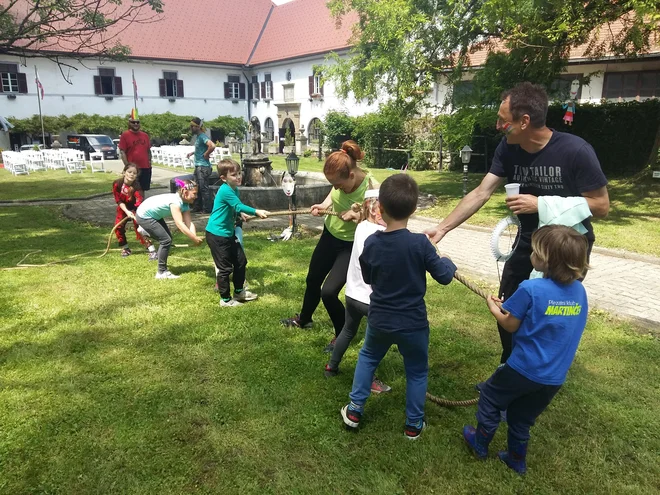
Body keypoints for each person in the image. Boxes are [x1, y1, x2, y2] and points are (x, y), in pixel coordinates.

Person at [424, 82, 609, 364]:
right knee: (509, 306)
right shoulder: (508, 148)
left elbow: (601, 205)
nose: (499, 126)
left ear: (524, 121)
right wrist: (443, 228)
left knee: (548, 309)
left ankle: (537, 371)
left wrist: (541, 204)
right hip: (527, 242)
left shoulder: (575, 151)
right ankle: (509, 365)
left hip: (566, 246)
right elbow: (481, 192)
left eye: (503, 120)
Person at [462, 225, 590, 475]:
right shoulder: (580, 292)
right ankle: (516, 459)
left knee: (490, 396)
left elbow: (510, 324)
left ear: (544, 260)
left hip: (522, 368)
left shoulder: (530, 289)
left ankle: (480, 442)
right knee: (522, 416)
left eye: (534, 251)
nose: (531, 254)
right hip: (554, 377)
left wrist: (493, 308)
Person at [340, 174, 456, 440]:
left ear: (380, 208)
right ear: (414, 209)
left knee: (368, 358)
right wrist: (447, 260)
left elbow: (369, 278)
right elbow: (445, 276)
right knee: (416, 371)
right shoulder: (420, 244)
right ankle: (413, 425)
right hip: (413, 324)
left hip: (380, 319)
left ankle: (355, 410)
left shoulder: (372, 243)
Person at [281, 140, 373, 336]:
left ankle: (343, 335)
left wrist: (358, 216)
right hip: (330, 236)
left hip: (350, 245)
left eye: (339, 184)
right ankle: (304, 319)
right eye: (333, 185)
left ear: (351, 175)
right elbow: (334, 193)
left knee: (329, 292)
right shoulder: (339, 183)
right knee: (313, 279)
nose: (337, 188)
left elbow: (380, 221)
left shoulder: (371, 188)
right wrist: (324, 205)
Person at [324, 189, 391, 394]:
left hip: (352, 295)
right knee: (374, 343)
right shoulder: (380, 234)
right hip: (371, 300)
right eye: (384, 211)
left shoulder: (361, 227)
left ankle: (331, 366)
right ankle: (370, 379)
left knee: (347, 331)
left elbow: (360, 218)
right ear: (374, 210)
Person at [205, 159, 269, 307]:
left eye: (239, 173)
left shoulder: (234, 188)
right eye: (234, 175)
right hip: (217, 235)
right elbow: (238, 205)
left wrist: (240, 215)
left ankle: (239, 292)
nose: (238, 177)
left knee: (240, 261)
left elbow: (233, 207)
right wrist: (256, 211)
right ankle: (225, 300)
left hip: (228, 233)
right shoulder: (225, 190)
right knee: (225, 268)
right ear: (223, 178)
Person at [136, 179, 204, 279]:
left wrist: (194, 237)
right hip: (144, 216)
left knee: (167, 239)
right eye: (194, 193)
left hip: (154, 216)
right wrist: (194, 239)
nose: (196, 196)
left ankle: (146, 232)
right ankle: (161, 272)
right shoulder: (175, 203)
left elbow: (189, 223)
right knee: (166, 240)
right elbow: (180, 224)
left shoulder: (185, 203)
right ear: (185, 192)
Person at [111, 163, 156, 259]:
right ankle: (125, 248)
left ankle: (152, 250)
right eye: (129, 172)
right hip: (123, 207)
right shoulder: (117, 184)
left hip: (136, 208)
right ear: (124, 172)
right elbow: (118, 200)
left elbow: (139, 202)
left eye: (134, 173)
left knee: (140, 228)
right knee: (118, 227)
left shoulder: (137, 187)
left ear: (136, 175)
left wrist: (134, 214)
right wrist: (127, 212)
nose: (132, 174)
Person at [187, 117, 216, 213]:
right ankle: (197, 207)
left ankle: (207, 209)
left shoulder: (203, 136)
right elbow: (201, 149)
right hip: (198, 166)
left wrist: (206, 154)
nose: (191, 128)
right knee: (197, 188)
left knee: (203, 189)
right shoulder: (199, 137)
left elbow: (212, 146)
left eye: (192, 126)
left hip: (203, 167)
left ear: (198, 127)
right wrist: (192, 153)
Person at [118, 109, 152, 191]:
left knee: (143, 189)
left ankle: (142, 203)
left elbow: (148, 151)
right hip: (133, 169)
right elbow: (122, 152)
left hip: (145, 168)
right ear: (129, 123)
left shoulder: (145, 135)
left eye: (137, 122)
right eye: (133, 122)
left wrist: (150, 162)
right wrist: (127, 167)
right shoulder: (125, 135)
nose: (136, 124)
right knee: (132, 189)